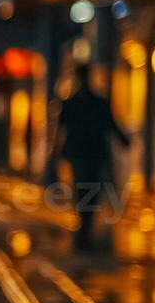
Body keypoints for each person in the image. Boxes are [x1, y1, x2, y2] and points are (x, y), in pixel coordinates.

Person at [55, 69, 130, 251]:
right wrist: (123, 140)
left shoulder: (72, 104)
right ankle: (85, 225)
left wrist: (57, 152)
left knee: (85, 188)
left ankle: (84, 225)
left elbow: (61, 130)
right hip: (90, 153)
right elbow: (110, 124)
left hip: (82, 153)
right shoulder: (95, 103)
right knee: (89, 189)